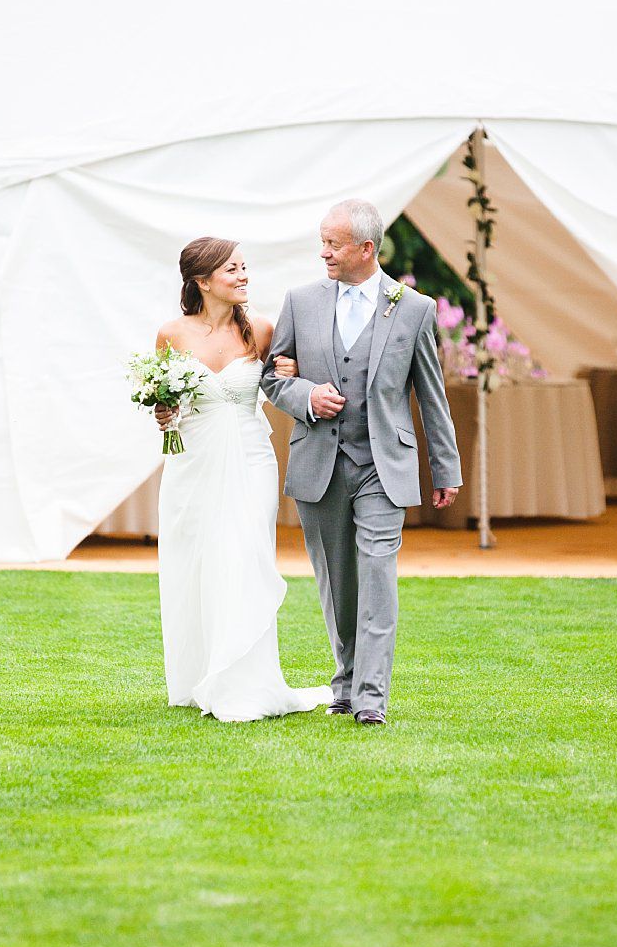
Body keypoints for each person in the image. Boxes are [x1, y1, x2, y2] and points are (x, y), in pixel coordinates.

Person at [261, 199, 462, 726]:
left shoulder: (414, 307)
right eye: (322, 241)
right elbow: (272, 377)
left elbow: (431, 395)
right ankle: (345, 680)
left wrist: (446, 469)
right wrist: (305, 396)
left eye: (333, 243)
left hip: (383, 465)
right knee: (337, 581)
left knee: (377, 576)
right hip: (320, 462)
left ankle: (370, 698)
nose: (322, 251)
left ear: (366, 249)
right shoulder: (300, 301)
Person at [153, 236, 332, 722]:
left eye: (244, 268)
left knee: (244, 556)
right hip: (192, 463)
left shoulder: (262, 329)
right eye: (232, 269)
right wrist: (163, 411)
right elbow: (166, 405)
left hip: (252, 458)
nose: (243, 276)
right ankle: (201, 677)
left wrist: (291, 370)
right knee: (197, 561)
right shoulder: (171, 334)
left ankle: (247, 684)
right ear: (202, 280)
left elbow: (283, 384)